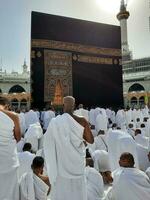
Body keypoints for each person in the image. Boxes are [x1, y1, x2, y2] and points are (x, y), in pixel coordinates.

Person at [44, 96, 94, 200]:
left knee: (63, 188)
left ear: (63, 106)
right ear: (74, 106)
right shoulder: (82, 120)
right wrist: (81, 137)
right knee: (78, 188)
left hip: (62, 163)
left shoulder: (55, 122)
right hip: (77, 163)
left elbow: (48, 143)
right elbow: (91, 140)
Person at [0, 96, 21, 199]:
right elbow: (18, 137)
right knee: (9, 189)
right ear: (7, 106)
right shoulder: (14, 116)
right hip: (9, 159)